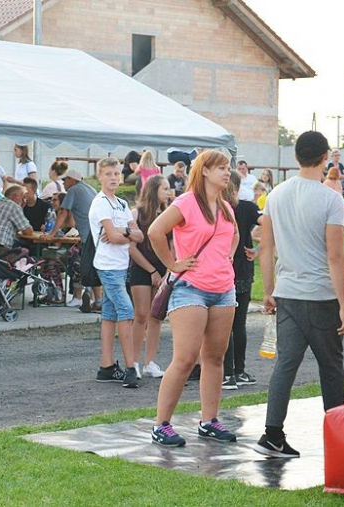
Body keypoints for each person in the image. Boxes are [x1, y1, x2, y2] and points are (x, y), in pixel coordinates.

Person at [253, 131, 344, 459]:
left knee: (285, 365)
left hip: (288, 294)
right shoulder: (331, 199)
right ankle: (338, 438)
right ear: (325, 157)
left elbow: (266, 248)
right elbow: (335, 256)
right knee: (331, 367)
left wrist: (269, 291)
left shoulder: (276, 195)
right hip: (321, 295)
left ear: (296, 157)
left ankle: (272, 434)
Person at [148, 149, 240, 447]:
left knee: (214, 357)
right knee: (186, 358)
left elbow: (234, 235)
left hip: (224, 289)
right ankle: (161, 424)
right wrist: (172, 264)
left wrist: (227, 258)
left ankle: (209, 421)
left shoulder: (225, 206)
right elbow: (155, 231)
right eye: (221, 168)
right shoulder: (186, 202)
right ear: (205, 171)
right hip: (191, 288)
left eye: (228, 167)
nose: (227, 172)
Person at [88, 157, 144, 388]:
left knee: (110, 314)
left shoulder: (121, 203)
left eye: (116, 174)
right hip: (108, 266)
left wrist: (124, 232)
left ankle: (107, 366)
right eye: (108, 174)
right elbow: (111, 237)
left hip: (121, 265)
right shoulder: (100, 202)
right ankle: (131, 367)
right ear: (100, 176)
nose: (113, 178)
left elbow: (139, 236)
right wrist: (125, 233)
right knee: (126, 310)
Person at [221, 171, 262, 390]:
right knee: (239, 324)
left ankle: (227, 372)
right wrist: (259, 249)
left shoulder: (217, 208)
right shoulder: (247, 208)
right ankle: (239, 370)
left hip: (224, 270)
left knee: (224, 325)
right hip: (243, 270)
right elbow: (270, 223)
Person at [129, 175, 171, 380]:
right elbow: (131, 248)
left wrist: (167, 272)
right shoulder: (137, 213)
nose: (168, 193)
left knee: (156, 317)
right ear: (154, 190)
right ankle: (133, 362)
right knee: (141, 315)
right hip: (141, 267)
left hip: (162, 269)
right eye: (165, 188)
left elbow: (172, 247)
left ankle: (150, 362)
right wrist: (151, 271)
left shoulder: (168, 215)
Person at [49, 168, 103, 312]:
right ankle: (96, 300)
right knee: (93, 267)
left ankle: (95, 299)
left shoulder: (73, 190)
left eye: (65, 180)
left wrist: (52, 234)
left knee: (87, 267)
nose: (63, 183)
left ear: (72, 180)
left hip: (88, 236)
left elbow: (63, 211)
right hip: (97, 234)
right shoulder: (90, 189)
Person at [0, 185, 34, 254]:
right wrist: (21, 207)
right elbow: (28, 231)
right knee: (25, 255)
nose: (24, 201)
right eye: (23, 197)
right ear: (15, 196)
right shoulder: (14, 206)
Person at [324, 167, 344, 233]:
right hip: (331, 203)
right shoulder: (327, 182)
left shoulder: (338, 182)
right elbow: (329, 196)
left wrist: (342, 203)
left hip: (339, 201)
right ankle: (341, 227)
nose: (340, 174)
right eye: (338, 172)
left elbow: (340, 194)